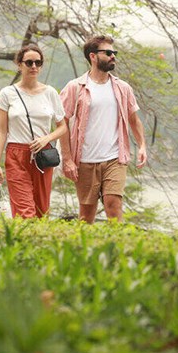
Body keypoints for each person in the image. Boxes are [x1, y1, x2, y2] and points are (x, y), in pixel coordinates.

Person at [58, 35, 147, 223]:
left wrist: (142, 146)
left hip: (115, 157)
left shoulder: (123, 88)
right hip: (84, 160)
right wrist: (67, 159)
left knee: (113, 205)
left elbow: (134, 119)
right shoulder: (75, 87)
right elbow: (61, 122)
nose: (113, 56)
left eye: (114, 52)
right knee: (86, 216)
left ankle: (119, 250)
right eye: (108, 53)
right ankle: (86, 251)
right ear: (93, 56)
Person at [0, 43, 67, 218]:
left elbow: (63, 126)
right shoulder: (7, 93)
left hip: (43, 155)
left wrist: (46, 139)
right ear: (19, 64)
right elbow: (1, 131)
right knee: (25, 212)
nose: (34, 66)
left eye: (38, 62)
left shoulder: (50, 93)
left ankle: (35, 244)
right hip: (16, 155)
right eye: (29, 62)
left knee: (41, 211)